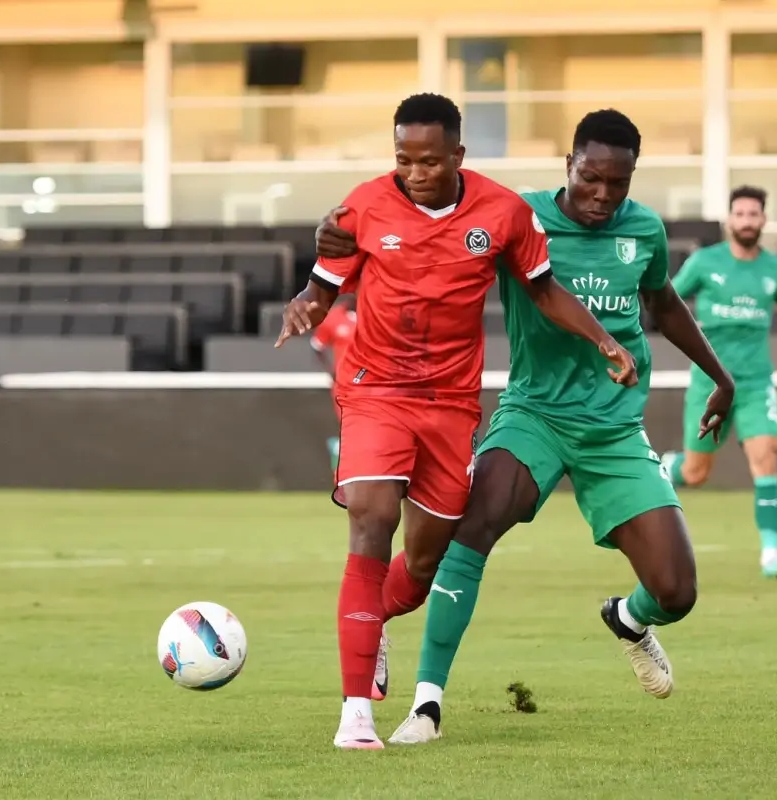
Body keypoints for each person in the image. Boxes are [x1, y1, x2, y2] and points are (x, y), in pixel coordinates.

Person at [314, 109, 735, 745]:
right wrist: (333, 237)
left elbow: (664, 303)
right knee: (468, 531)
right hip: (533, 414)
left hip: (614, 428)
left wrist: (719, 376)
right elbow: (425, 238)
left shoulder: (645, 229)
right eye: (590, 177)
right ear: (569, 165)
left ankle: (628, 619)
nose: (601, 194)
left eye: (617, 183)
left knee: (677, 591)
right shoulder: (519, 215)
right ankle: (426, 705)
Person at [277, 93, 638, 751]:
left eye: (429, 162)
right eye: (404, 160)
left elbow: (543, 289)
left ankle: (376, 621)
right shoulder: (363, 206)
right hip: (376, 389)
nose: (415, 173)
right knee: (372, 518)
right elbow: (322, 285)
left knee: (421, 567)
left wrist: (603, 339)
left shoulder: (503, 213)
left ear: (458, 156)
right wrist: (304, 302)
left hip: (450, 405)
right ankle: (355, 715)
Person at [659, 186, 777, 580]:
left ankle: (771, 554)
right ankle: (669, 466)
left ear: (764, 220)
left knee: (766, 457)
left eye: (753, 214)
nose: (747, 221)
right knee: (696, 474)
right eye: (740, 214)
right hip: (708, 383)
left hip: (755, 383)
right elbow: (667, 299)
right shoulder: (704, 262)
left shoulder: (776, 270)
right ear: (729, 220)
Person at [309, 294, 357, 472]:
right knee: (349, 428)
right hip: (344, 387)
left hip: (372, 385)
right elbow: (317, 346)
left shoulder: (376, 316)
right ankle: (344, 472)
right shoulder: (334, 317)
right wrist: (331, 371)